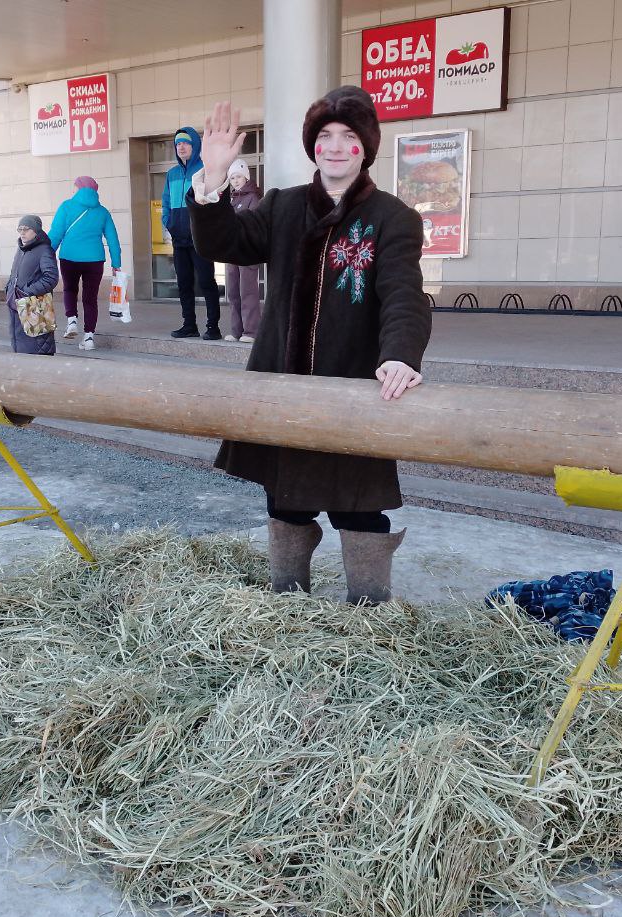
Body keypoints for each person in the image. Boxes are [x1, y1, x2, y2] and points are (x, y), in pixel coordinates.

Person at [188, 88, 430, 604]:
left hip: (355, 390)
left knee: (359, 506)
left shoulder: (392, 217)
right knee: (286, 501)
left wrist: (400, 355)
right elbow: (223, 244)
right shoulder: (283, 204)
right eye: (325, 137)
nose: (336, 147)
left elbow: (404, 295)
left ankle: (368, 617)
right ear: (312, 146)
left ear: (365, 148)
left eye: (348, 137)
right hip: (282, 385)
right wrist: (211, 181)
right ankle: (286, 608)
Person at [48, 175, 122, 352]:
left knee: (70, 290)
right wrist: (116, 263)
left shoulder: (66, 206)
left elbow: (56, 233)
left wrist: (46, 255)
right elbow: (113, 239)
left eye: (74, 187)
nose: (72, 190)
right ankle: (89, 337)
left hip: (69, 257)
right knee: (90, 299)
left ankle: (72, 320)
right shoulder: (103, 211)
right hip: (95, 260)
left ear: (79, 188)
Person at [161, 126, 222, 340]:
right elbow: (166, 202)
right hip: (179, 239)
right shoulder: (172, 174)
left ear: (194, 145)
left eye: (185, 142)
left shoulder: (204, 170)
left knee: (206, 282)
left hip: (200, 239)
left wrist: (206, 228)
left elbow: (215, 201)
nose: (181, 146)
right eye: (177, 143)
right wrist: (168, 222)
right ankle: (189, 325)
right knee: (184, 284)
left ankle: (213, 327)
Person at [5, 215, 60, 355]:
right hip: (17, 303)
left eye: (26, 229)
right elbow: (15, 273)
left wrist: (27, 292)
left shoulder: (44, 250)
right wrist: (9, 289)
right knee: (20, 347)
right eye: (20, 229)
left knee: (36, 347)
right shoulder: (21, 249)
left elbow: (51, 277)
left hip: (35, 306)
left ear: (36, 231)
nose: (22, 232)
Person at [222, 159, 263, 343]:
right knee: (233, 292)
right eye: (232, 178)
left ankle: (251, 331)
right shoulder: (231, 198)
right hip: (232, 252)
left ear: (246, 176)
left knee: (247, 292)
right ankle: (236, 330)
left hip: (247, 252)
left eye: (238, 176)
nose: (235, 180)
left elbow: (253, 225)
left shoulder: (253, 197)